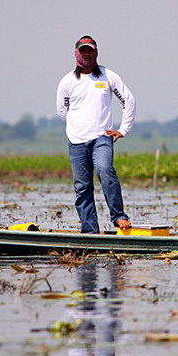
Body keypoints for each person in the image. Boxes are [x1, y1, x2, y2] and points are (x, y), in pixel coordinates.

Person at [56, 35, 135, 234]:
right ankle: (90, 231)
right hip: (77, 141)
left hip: (102, 136)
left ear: (96, 52)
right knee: (82, 187)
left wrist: (123, 129)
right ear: (77, 53)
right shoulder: (67, 81)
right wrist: (78, 126)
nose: (87, 54)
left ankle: (118, 216)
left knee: (105, 169)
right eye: (83, 50)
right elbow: (62, 110)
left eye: (90, 50)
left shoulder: (108, 76)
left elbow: (128, 100)